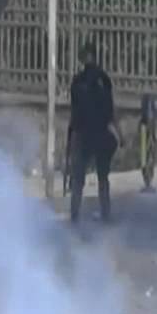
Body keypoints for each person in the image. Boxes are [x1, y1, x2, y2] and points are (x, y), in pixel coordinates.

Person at [68, 41, 122, 223]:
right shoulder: (103, 79)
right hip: (100, 133)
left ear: (85, 57)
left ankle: (74, 215)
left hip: (83, 134)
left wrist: (72, 136)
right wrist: (120, 134)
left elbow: (74, 112)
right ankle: (105, 213)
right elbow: (111, 111)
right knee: (102, 177)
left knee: (78, 178)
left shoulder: (78, 81)